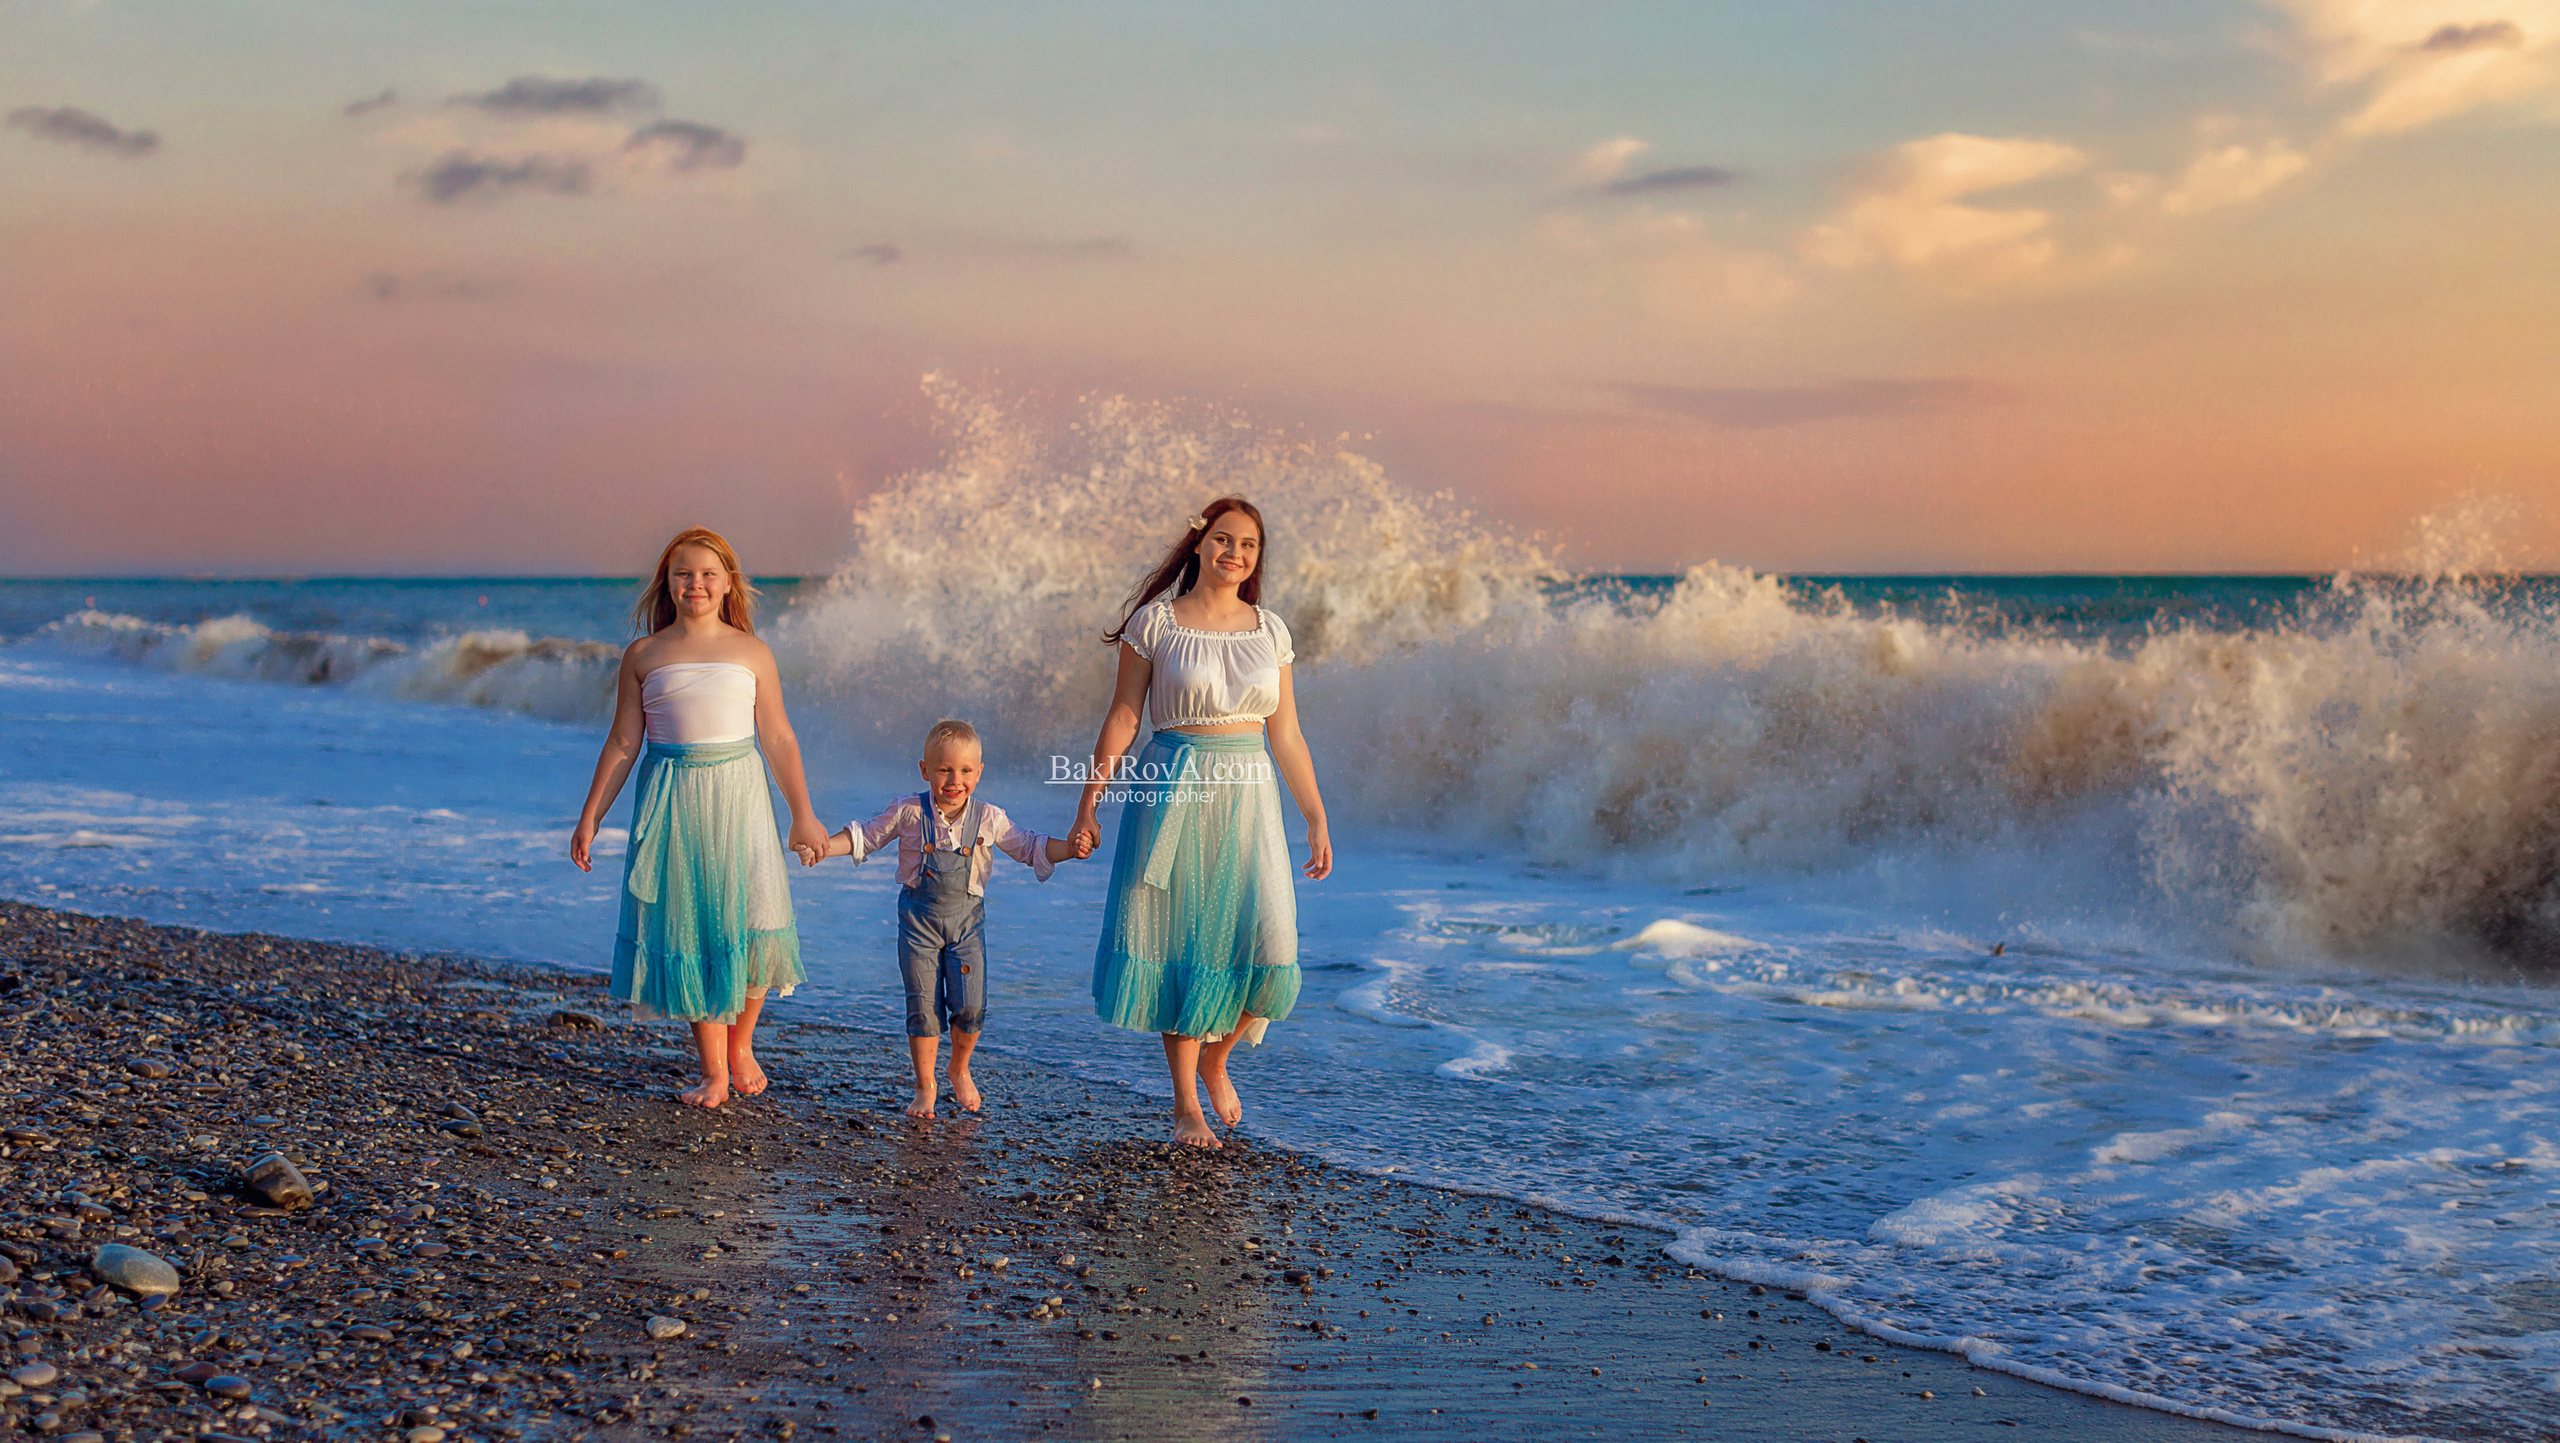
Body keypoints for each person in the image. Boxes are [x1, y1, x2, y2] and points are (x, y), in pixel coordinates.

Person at [1068, 496, 1331, 1148]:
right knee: (1183, 944)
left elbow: (1289, 735)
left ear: (1257, 556)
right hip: (1174, 789)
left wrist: (1316, 817)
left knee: (1274, 951)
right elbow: (1124, 717)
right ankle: (1186, 1103)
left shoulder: (1270, 630)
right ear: (1198, 545)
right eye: (1222, 539)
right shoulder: (1155, 623)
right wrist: (1089, 800)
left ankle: (1218, 1060)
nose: (1234, 553)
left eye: (1247, 544)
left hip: (1250, 796)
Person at [570, 526, 828, 1108]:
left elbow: (780, 737)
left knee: (757, 920)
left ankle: (742, 1046)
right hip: (673, 801)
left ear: (728, 582)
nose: (696, 583)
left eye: (709, 573)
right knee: (692, 927)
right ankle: (714, 1069)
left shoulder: (751, 651)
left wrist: (803, 815)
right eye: (683, 573)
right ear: (668, 582)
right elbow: (620, 743)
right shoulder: (644, 655)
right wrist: (591, 817)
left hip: (742, 796)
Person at [804, 718, 1091, 1118]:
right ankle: (925, 1085)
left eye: (965, 771)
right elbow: (863, 837)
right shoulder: (907, 811)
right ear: (925, 771)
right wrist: (822, 847)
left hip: (966, 925)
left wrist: (1070, 850)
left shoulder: (989, 817)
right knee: (923, 1006)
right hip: (918, 922)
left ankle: (959, 1067)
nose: (955, 780)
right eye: (944, 770)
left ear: (979, 772)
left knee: (971, 1006)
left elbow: (1030, 848)